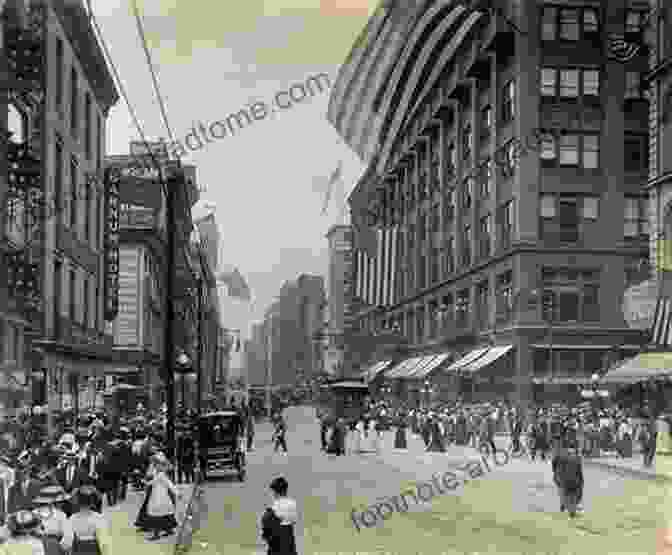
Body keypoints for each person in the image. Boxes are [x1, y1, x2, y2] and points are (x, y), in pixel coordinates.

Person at [144, 452, 181, 541]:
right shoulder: (159, 473)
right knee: (164, 514)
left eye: (157, 465)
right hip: (160, 496)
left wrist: (177, 493)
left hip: (159, 497)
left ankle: (156, 534)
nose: (156, 466)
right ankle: (168, 530)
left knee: (156, 515)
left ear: (161, 466)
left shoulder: (161, 474)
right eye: (155, 465)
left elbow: (169, 484)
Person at [64, 487, 110, 555]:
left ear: (78, 501)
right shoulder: (98, 518)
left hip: (78, 550)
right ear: (92, 502)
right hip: (93, 550)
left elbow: (67, 542)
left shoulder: (72, 518)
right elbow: (104, 542)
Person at [261, 477, 297, 555]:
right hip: (289, 537)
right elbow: (294, 521)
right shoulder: (292, 503)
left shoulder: (274, 507)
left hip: (277, 542)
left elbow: (266, 528)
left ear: (275, 492)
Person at [32, 486, 73, 554]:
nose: (61, 504)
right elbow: (68, 537)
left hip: (46, 546)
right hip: (44, 546)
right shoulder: (60, 515)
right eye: (60, 502)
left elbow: (68, 536)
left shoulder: (60, 515)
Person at [552, 444, 583, 518]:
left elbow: (554, 464)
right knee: (571, 495)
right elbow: (579, 471)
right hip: (570, 479)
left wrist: (556, 472)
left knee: (565, 494)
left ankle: (567, 506)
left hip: (564, 479)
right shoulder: (576, 458)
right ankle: (570, 508)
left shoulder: (562, 456)